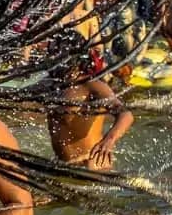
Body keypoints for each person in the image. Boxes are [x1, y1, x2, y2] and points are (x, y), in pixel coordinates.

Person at [46, 33, 134, 170]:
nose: (50, 58)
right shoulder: (52, 85)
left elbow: (125, 115)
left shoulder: (91, 84)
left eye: (55, 54)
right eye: (51, 53)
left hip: (91, 168)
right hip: (61, 166)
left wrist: (109, 140)